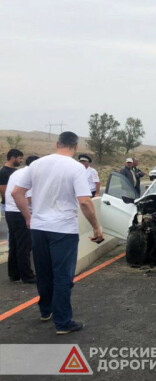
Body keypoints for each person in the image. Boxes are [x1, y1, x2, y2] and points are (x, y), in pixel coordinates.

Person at [12, 131, 104, 335]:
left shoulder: (37, 164)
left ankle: (46, 311)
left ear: (57, 144)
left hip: (39, 228)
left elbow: (16, 192)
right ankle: (63, 321)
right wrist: (96, 226)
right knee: (63, 275)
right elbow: (84, 201)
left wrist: (28, 216)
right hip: (63, 229)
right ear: (75, 147)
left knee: (43, 272)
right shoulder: (76, 168)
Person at [5, 155, 38, 284]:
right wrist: (30, 216)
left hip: (10, 212)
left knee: (14, 244)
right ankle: (27, 275)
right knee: (24, 245)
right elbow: (30, 198)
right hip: (21, 212)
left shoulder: (17, 172)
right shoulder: (29, 175)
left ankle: (14, 274)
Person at [0, 148, 24, 217]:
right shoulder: (3, 172)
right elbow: (3, 191)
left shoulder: (15, 171)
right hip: (9, 205)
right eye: (20, 158)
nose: (21, 161)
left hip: (16, 204)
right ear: (13, 158)